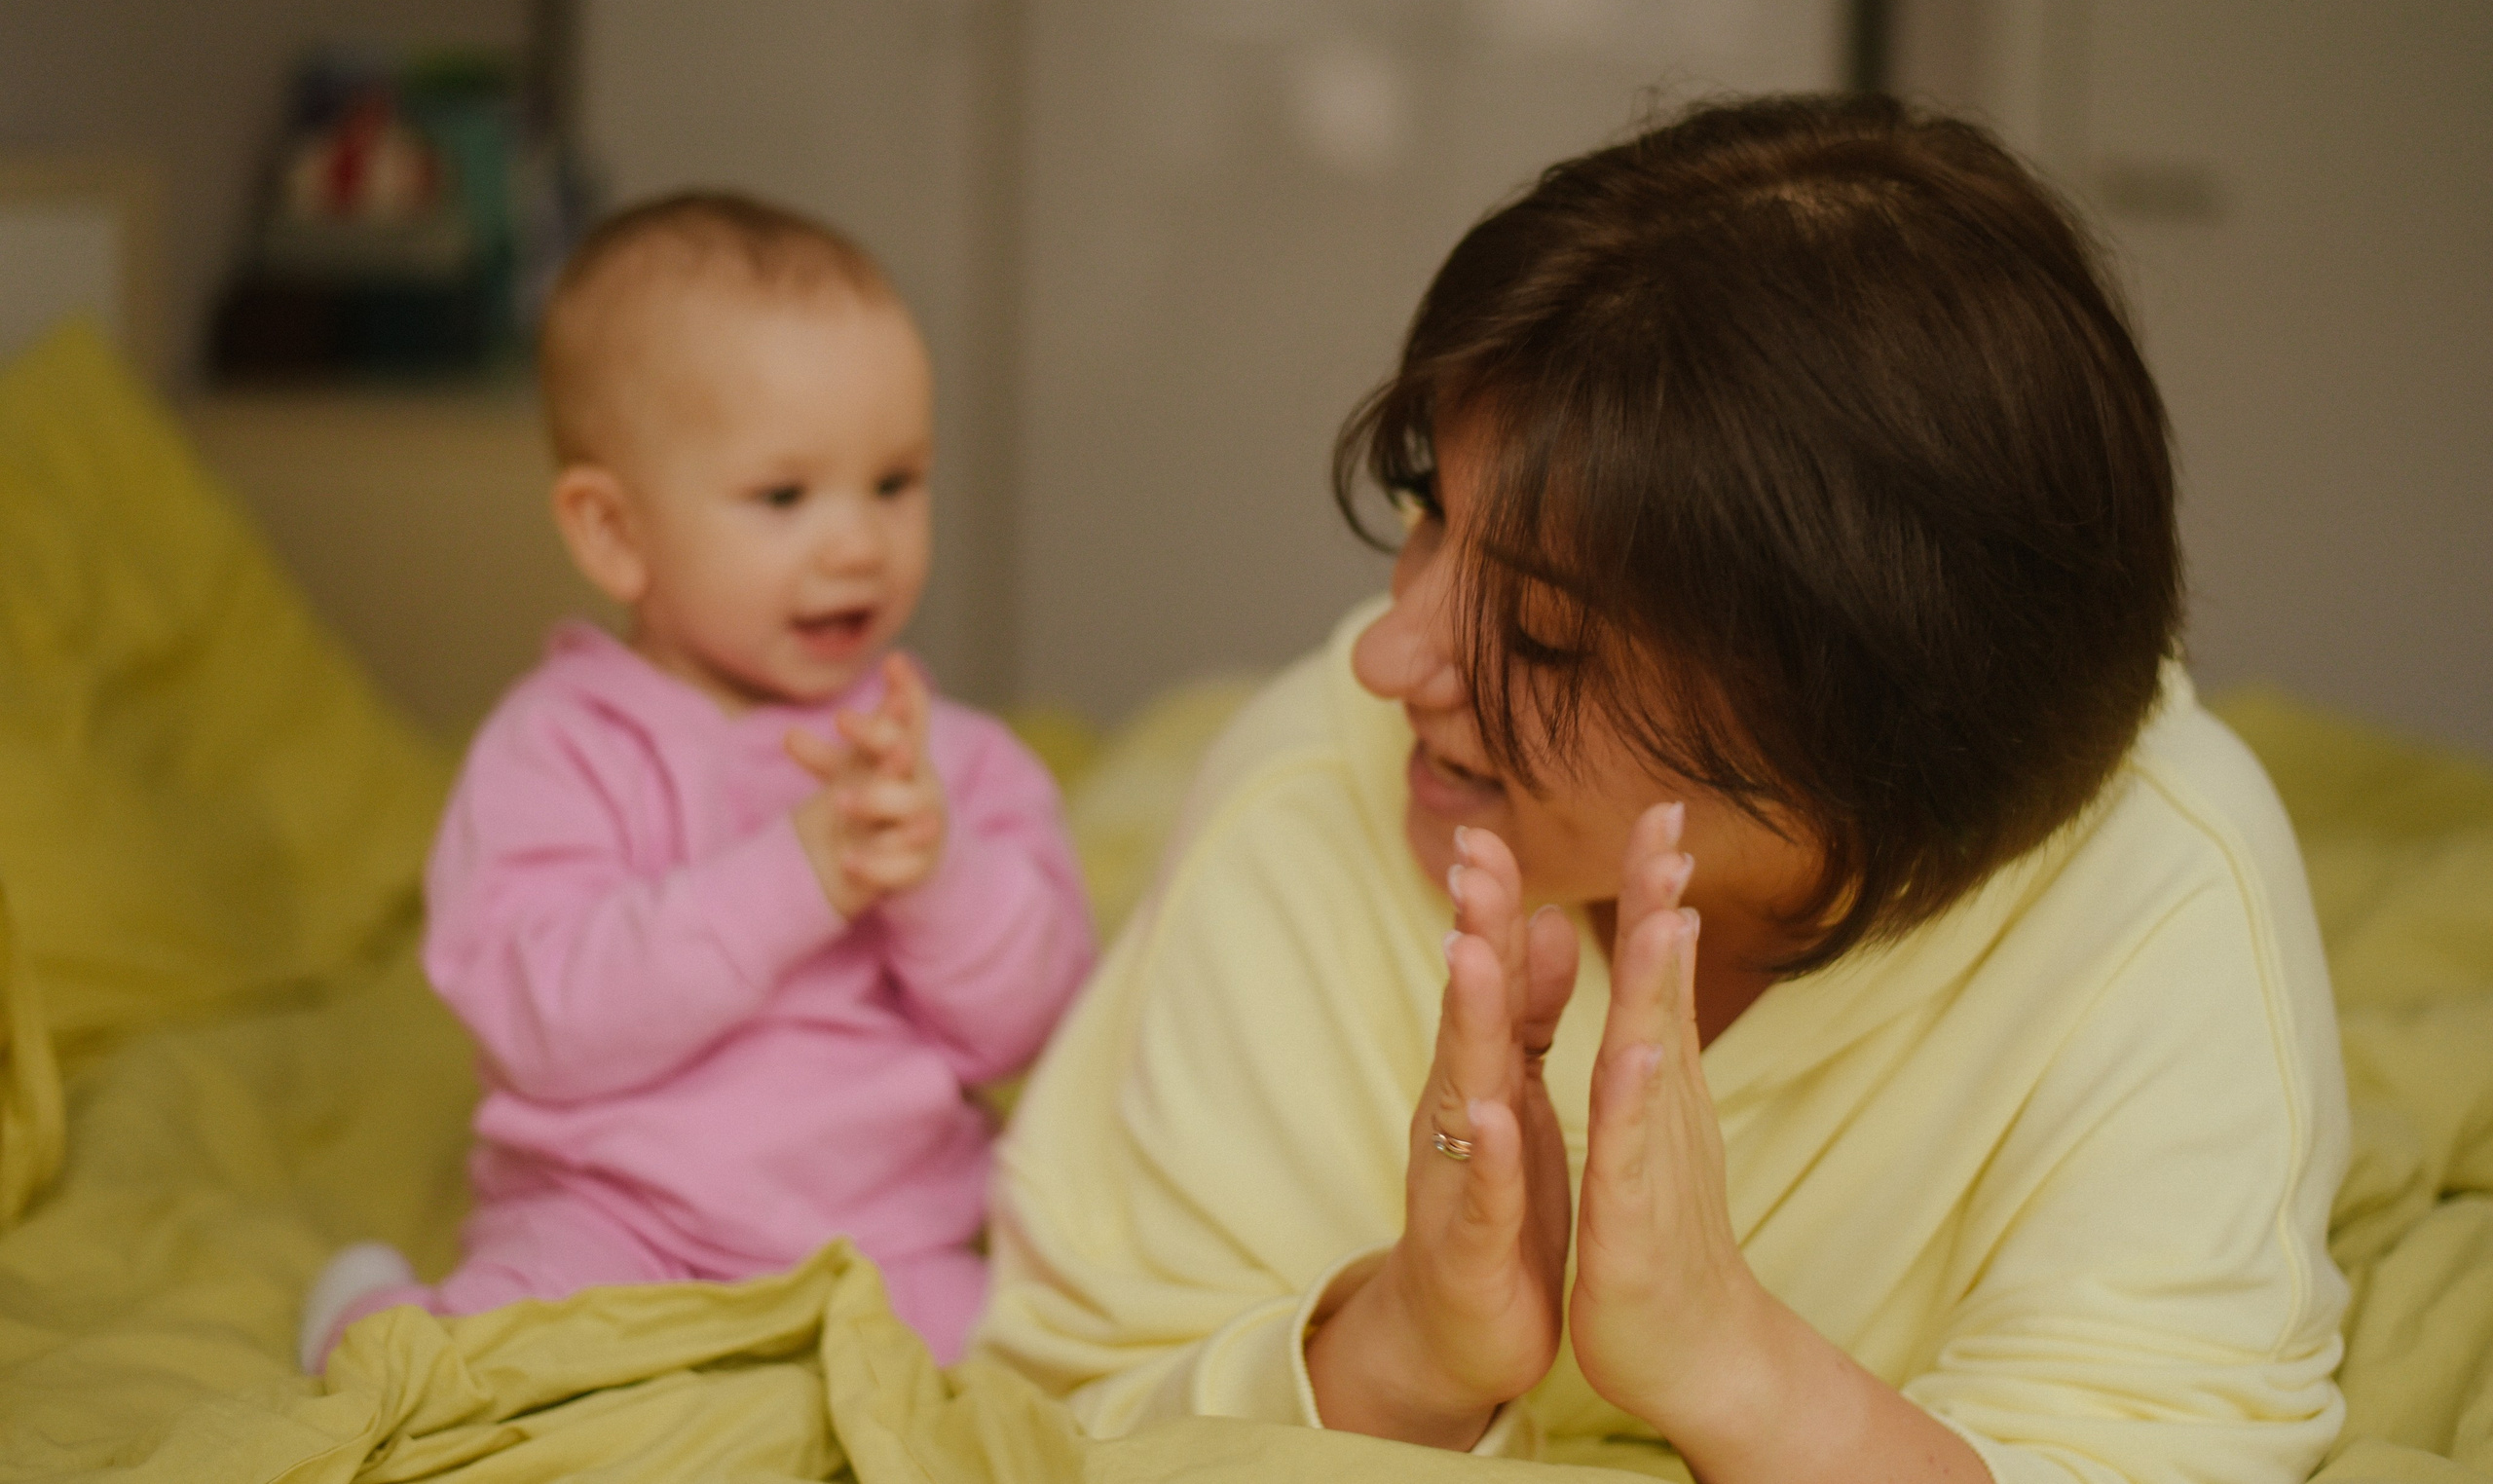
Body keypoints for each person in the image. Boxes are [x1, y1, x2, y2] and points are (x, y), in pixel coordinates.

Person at [979, 94, 2350, 1482]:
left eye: (1541, 635)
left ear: (1861, 727)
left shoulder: (2159, 882)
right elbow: (1059, 1413)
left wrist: (1733, 1366)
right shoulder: (1310, 783)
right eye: (1428, 511)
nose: (1388, 656)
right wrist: (1410, 1348)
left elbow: (2153, 1443)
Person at [300, 193, 1095, 1372]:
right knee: (478, 1372)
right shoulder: (558, 752)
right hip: (618, 1217)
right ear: (615, 534)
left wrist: (941, 876)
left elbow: (1032, 1027)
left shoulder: (953, 763)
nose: (858, 544)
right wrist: (796, 875)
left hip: (891, 1232)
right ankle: (359, 1314)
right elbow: (543, 1022)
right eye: (783, 496)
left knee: (1044, 1370)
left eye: (894, 482)